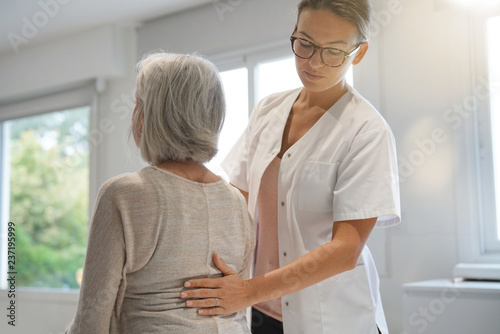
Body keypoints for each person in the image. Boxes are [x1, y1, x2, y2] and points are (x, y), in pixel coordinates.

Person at [180, 1, 401, 333]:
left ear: (358, 52)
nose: (313, 62)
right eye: (305, 44)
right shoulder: (269, 109)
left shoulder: (367, 130)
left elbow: (346, 249)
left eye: (333, 51)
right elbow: (237, 202)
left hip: (330, 318)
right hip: (259, 312)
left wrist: (250, 290)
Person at [65, 52, 255, 334]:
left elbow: (91, 320)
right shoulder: (236, 202)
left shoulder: (124, 195)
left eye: (137, 103)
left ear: (145, 115)